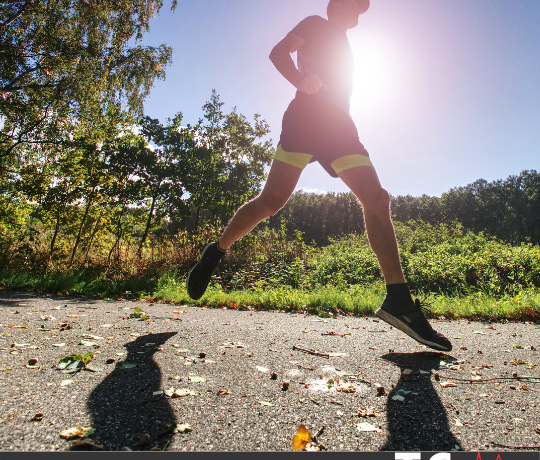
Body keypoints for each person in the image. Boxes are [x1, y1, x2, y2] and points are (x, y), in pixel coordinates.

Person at [187, 0, 452, 352]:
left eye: (362, 10)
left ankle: (399, 301)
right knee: (270, 202)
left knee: (377, 198)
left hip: (338, 127)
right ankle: (215, 252)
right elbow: (279, 53)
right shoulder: (314, 23)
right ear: (336, 5)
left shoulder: (347, 45)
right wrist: (301, 79)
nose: (359, 13)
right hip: (305, 120)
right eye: (354, 5)